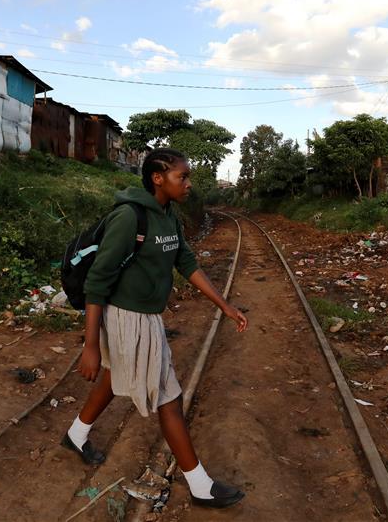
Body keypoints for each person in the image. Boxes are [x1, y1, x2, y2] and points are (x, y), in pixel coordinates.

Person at [63, 148, 248, 509]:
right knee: (169, 397)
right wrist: (91, 345)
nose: (189, 183)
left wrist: (224, 305)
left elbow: (187, 262)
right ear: (158, 178)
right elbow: (97, 282)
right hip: (126, 316)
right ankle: (200, 485)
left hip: (148, 317)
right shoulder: (129, 217)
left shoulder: (168, 217)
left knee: (115, 375)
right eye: (183, 176)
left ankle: (76, 434)